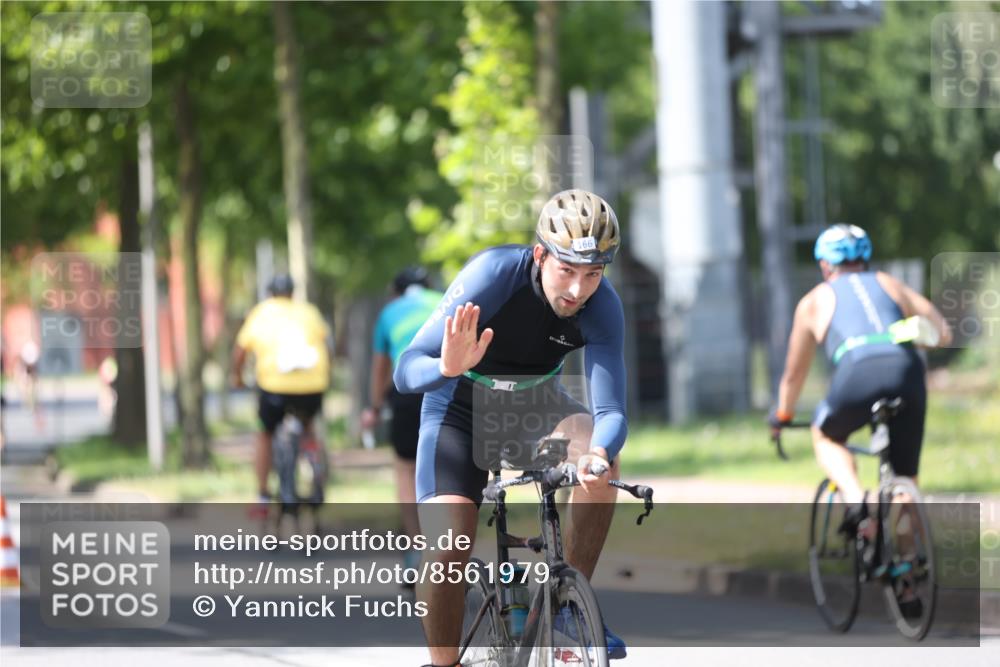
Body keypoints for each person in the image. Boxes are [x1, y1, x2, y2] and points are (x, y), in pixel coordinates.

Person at [394, 189, 629, 665]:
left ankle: (569, 608)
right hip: (458, 409)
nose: (578, 290)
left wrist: (598, 455)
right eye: (567, 270)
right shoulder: (494, 275)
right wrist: (446, 365)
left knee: (602, 461)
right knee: (447, 545)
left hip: (536, 406)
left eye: (593, 274)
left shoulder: (602, 306)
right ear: (541, 254)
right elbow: (405, 369)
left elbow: (611, 413)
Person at [770, 224, 952, 534]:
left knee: (826, 435)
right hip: (906, 368)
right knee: (905, 477)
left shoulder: (814, 300)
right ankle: (909, 569)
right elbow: (944, 334)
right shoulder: (889, 283)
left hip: (857, 370)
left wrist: (783, 414)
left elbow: (794, 374)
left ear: (825, 264)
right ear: (865, 258)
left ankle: (856, 502)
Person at [362, 266, 443, 578]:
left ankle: (416, 550)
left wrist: (375, 405)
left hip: (407, 389)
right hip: (449, 383)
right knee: (452, 466)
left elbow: (381, 367)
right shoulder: (446, 298)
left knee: (406, 469)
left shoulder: (389, 312)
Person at [232, 274, 332, 510]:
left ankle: (263, 494)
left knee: (265, 433)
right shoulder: (309, 312)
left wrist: (236, 378)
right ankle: (314, 469)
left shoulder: (261, 312)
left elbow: (239, 352)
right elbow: (328, 346)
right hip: (312, 386)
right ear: (292, 293)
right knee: (308, 427)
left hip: (274, 386)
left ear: (270, 293)